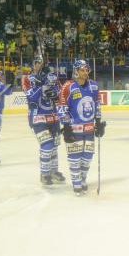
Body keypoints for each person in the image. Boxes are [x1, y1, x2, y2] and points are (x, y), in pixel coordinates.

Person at [58, 59, 105, 196]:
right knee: (75, 157)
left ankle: (82, 178)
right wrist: (66, 127)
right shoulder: (68, 86)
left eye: (87, 70)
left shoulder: (94, 86)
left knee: (87, 157)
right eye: (82, 70)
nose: (85, 72)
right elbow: (61, 108)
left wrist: (98, 122)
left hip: (89, 128)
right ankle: (76, 182)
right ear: (76, 71)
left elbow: (97, 105)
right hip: (74, 129)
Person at [26, 59, 65, 186]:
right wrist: (41, 88)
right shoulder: (33, 83)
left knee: (54, 147)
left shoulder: (56, 86)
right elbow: (30, 99)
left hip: (54, 120)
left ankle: (53, 171)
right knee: (47, 146)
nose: (51, 82)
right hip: (39, 120)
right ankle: (44, 173)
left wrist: (56, 95)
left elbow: (62, 100)